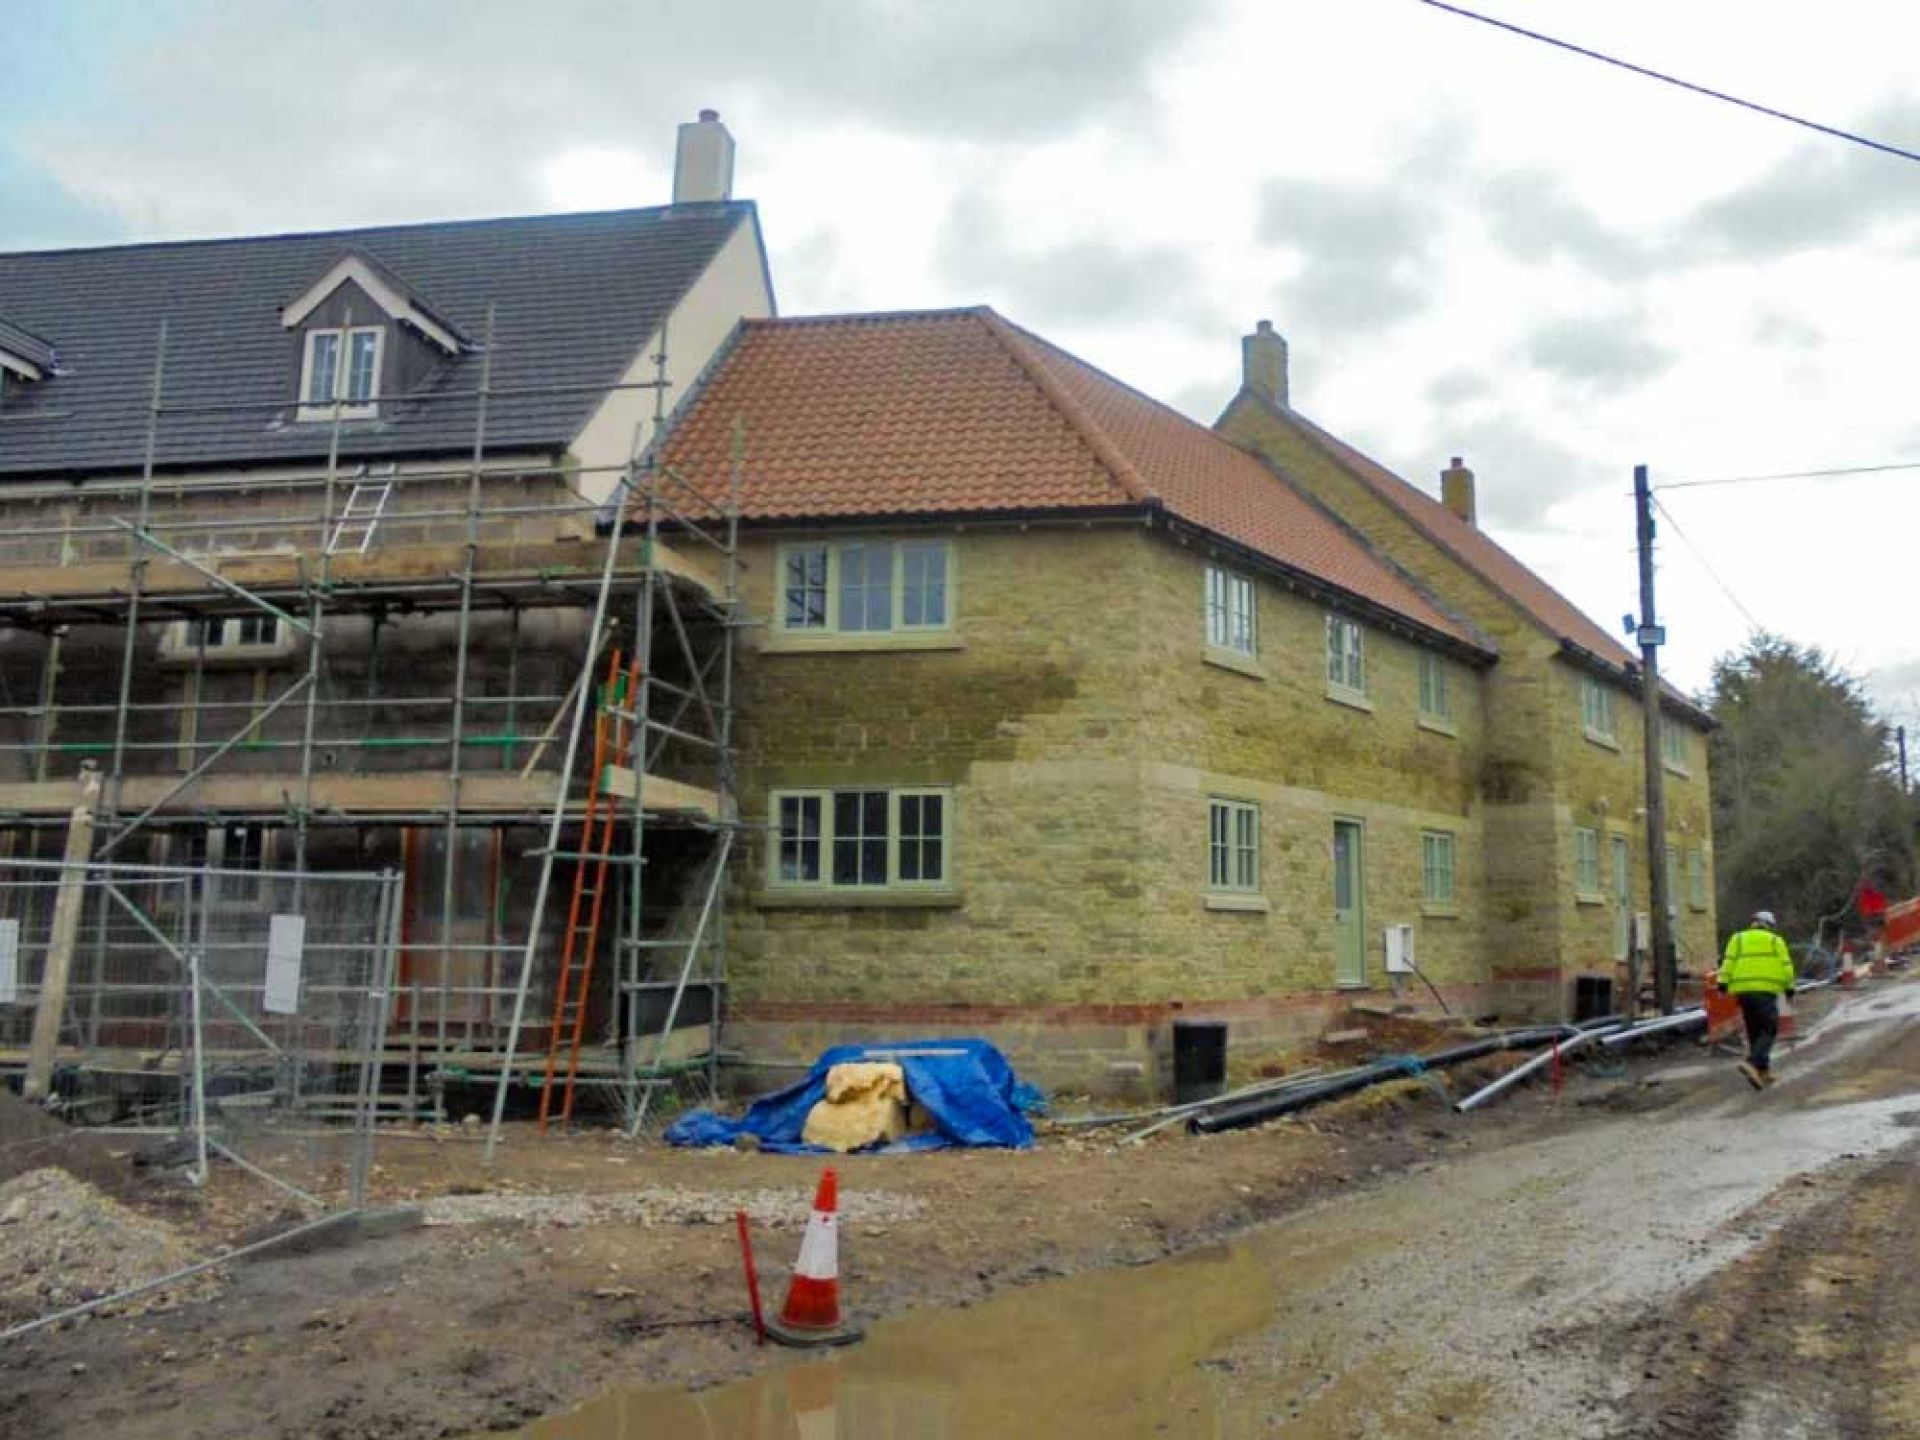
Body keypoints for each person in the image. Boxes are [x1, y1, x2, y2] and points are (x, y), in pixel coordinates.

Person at [1717, 910, 1797, 1088]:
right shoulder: (1775, 941)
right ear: (1769, 925)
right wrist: (1789, 988)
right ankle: (1752, 1063)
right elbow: (1786, 967)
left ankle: (1762, 1072)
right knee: (1769, 1028)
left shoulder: (1737, 939)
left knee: (1754, 1030)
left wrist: (1722, 984)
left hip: (1743, 992)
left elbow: (1727, 962)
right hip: (1765, 991)